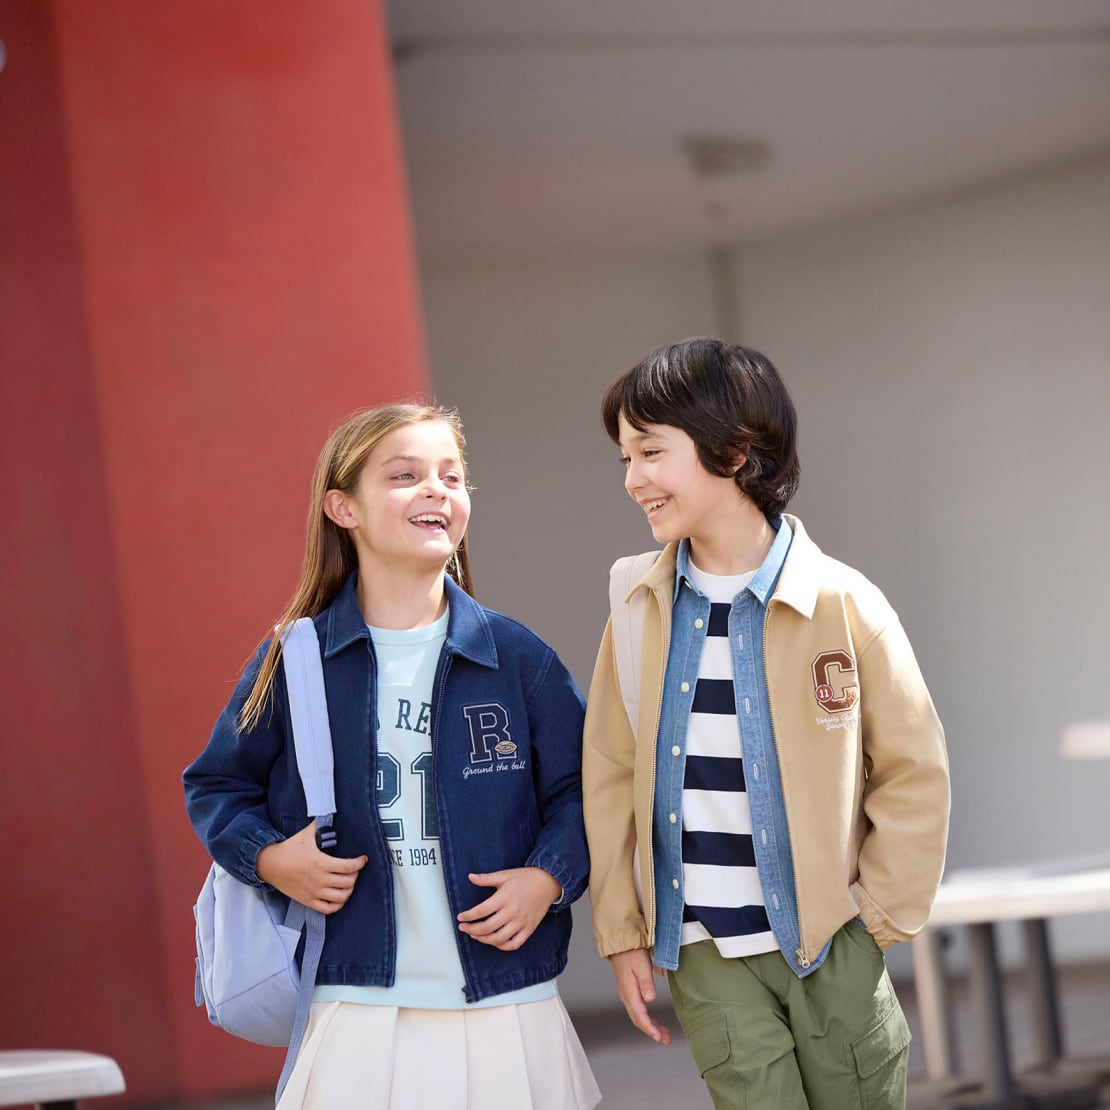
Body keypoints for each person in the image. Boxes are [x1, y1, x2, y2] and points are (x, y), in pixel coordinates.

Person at [184, 403, 600, 1110]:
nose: (437, 489)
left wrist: (547, 878)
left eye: (452, 476)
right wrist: (271, 858)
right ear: (341, 508)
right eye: (405, 476)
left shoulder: (517, 657)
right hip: (356, 1001)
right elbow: (217, 784)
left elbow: (585, 791)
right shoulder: (297, 659)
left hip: (507, 997)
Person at [582, 338, 950, 1109]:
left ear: (735, 449)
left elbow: (914, 770)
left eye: (651, 452)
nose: (632, 479)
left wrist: (873, 920)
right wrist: (622, 930)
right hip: (704, 952)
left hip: (831, 945)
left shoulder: (845, 603)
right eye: (624, 458)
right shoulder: (635, 610)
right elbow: (610, 774)